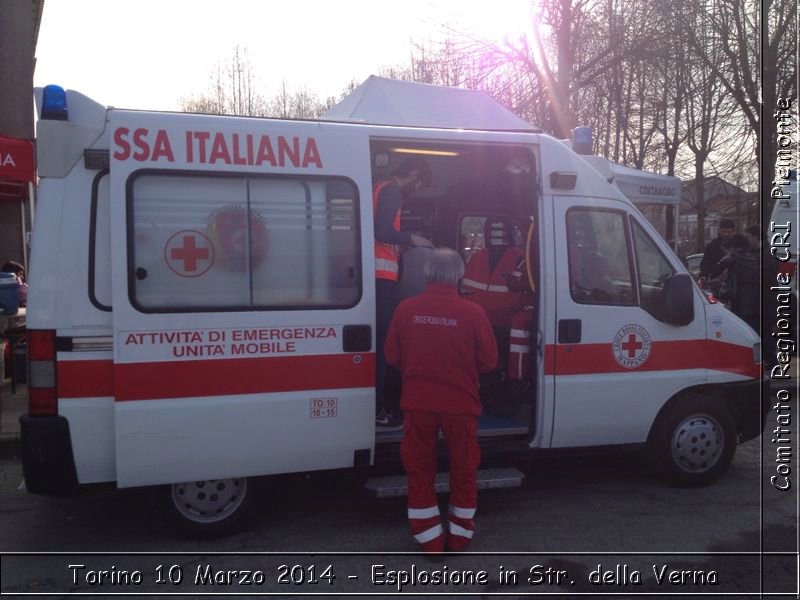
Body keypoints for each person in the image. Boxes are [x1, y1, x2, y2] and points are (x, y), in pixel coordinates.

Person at [385, 248, 498, 553]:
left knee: (419, 470)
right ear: (459, 275)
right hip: (460, 405)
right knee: (464, 470)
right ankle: (459, 538)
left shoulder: (405, 309)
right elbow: (489, 361)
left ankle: (430, 540)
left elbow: (392, 357)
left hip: (418, 403)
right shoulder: (474, 313)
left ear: (427, 274)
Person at [373, 157, 434, 428]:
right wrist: (412, 238)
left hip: (379, 276)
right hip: (380, 278)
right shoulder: (392, 190)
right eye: (419, 183)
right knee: (384, 345)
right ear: (414, 172)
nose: (417, 189)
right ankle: (377, 410)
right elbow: (382, 231)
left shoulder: (380, 187)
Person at [461, 218, 533, 381]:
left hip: (485, 324)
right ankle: (509, 382)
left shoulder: (476, 256)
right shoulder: (520, 259)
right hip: (492, 325)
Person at [715, 224, 762, 333]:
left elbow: (719, 266)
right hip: (753, 300)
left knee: (742, 330)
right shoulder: (750, 257)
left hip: (741, 301)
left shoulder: (736, 256)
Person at [698, 219, 748, 289]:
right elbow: (705, 264)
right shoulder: (712, 246)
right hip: (717, 285)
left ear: (734, 231)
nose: (726, 234)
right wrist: (703, 275)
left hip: (738, 284)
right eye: (723, 231)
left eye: (728, 232)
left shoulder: (742, 243)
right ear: (719, 230)